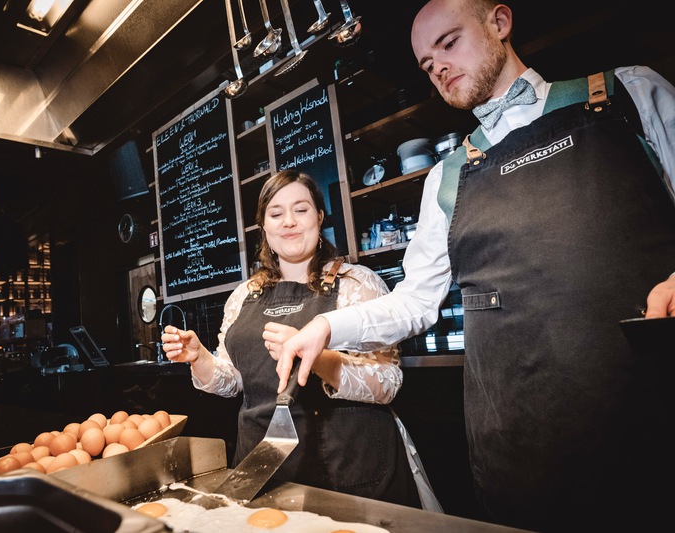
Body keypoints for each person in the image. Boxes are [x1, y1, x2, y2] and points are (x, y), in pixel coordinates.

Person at [273, 1, 675, 531]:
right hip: (521, 452)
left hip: (651, 432)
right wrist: (326, 325)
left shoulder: (628, 94)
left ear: (499, 23)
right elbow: (416, 303)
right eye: (426, 64)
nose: (438, 67)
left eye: (449, 43)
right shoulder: (446, 176)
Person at [162, 170, 435, 509]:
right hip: (262, 470)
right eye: (276, 213)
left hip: (350, 468)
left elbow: (388, 383)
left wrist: (318, 359)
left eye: (301, 210)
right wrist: (199, 357)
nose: (288, 221)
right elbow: (232, 382)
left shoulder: (357, 283)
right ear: (264, 226)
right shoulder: (243, 295)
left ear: (319, 217)